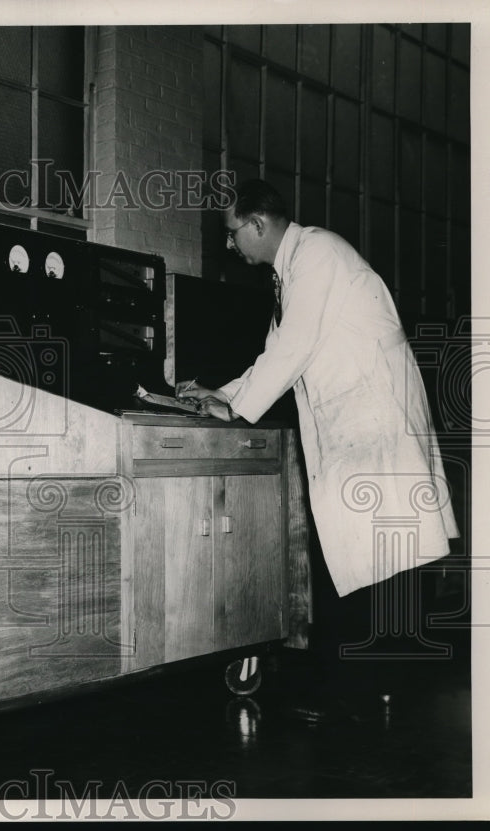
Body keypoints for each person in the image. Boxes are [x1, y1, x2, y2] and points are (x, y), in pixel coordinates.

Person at [178, 180, 460, 711]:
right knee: (369, 549)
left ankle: (379, 682)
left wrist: (236, 404)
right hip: (358, 421)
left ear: (258, 224)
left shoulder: (319, 254)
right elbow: (276, 354)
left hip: (375, 416)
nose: (231, 246)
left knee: (385, 549)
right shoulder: (292, 272)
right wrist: (220, 395)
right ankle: (375, 681)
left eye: (233, 234)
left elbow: (292, 351)